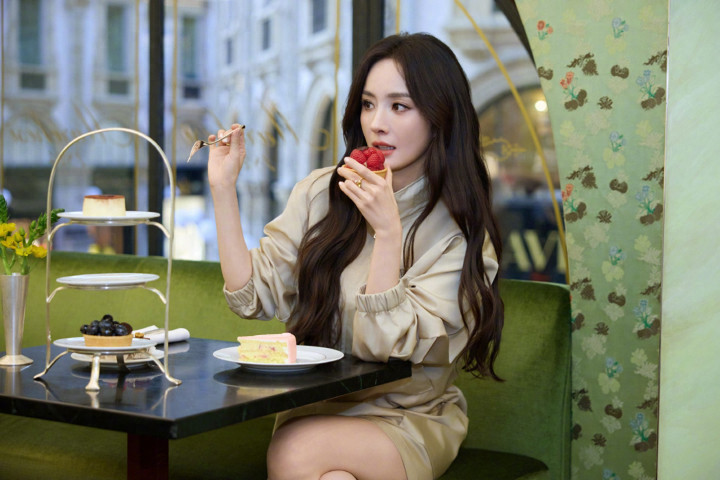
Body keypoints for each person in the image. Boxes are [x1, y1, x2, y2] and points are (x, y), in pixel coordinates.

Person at [207, 32, 504, 480]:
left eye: (399, 107)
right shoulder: (321, 192)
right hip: (312, 407)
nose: (377, 123)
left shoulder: (458, 231)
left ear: (440, 115)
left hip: (409, 418)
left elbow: (386, 349)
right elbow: (252, 297)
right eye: (368, 104)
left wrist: (387, 233)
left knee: (297, 452)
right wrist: (223, 188)